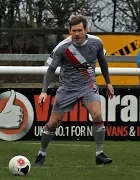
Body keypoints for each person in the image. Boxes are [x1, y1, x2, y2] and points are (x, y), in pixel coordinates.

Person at [33, 15, 114, 166]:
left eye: (79, 30)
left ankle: (99, 153)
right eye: (73, 30)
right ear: (69, 31)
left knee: (97, 114)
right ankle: (41, 153)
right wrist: (44, 91)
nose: (76, 34)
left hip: (88, 86)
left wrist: (108, 82)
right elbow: (50, 70)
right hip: (67, 88)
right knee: (53, 122)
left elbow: (103, 62)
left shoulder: (96, 43)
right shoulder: (62, 47)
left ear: (86, 30)